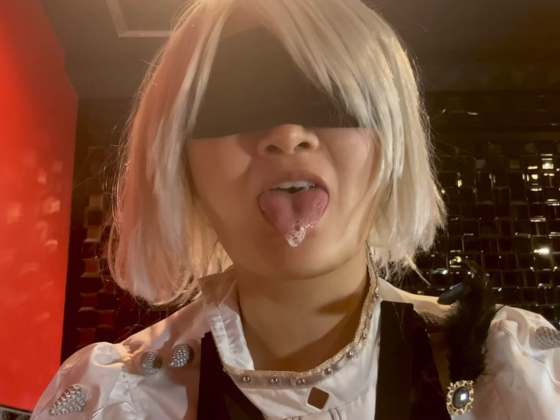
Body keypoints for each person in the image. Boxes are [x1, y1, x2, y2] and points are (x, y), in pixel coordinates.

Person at [31, 0, 560, 418]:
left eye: (328, 96)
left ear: (392, 140)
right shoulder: (109, 404)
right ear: (179, 161)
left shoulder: (526, 378)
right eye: (233, 102)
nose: (286, 135)